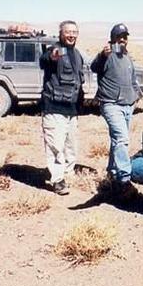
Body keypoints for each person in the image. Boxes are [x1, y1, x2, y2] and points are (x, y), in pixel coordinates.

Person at [91, 23, 143, 200]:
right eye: (119, 36)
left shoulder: (127, 57)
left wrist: (136, 95)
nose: (122, 39)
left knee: (117, 141)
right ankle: (124, 179)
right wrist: (102, 55)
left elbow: (132, 78)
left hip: (127, 104)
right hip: (111, 103)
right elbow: (94, 66)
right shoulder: (107, 54)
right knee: (122, 138)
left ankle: (112, 173)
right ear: (112, 38)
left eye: (125, 36)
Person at [39, 20, 85, 195]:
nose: (71, 35)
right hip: (54, 107)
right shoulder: (56, 49)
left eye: (74, 32)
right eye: (68, 32)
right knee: (55, 146)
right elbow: (45, 60)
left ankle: (67, 174)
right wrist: (52, 55)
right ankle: (57, 180)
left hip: (71, 110)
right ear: (61, 33)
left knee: (71, 147)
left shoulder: (77, 54)